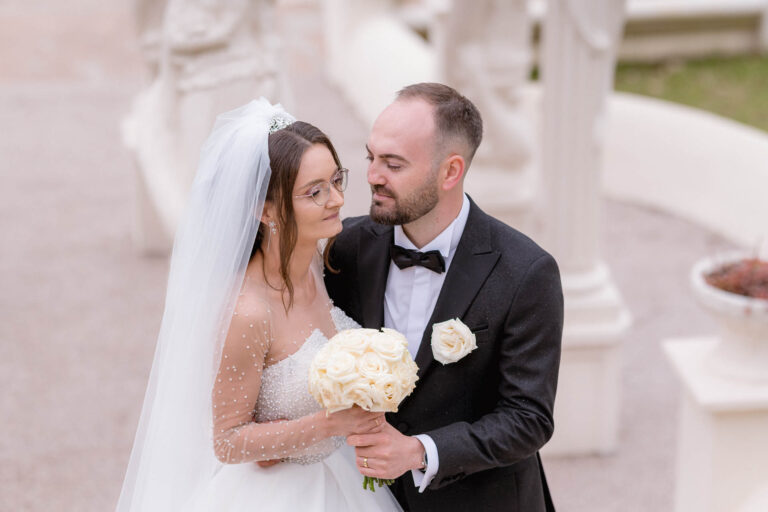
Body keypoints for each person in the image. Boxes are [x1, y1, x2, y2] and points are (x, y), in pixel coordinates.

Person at [116, 98, 401, 511]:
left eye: (336, 180)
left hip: (341, 481)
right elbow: (227, 440)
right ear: (265, 209)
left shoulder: (316, 262)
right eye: (315, 192)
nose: (337, 199)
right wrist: (330, 423)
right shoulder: (248, 312)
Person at [324, 83, 564, 511]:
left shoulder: (526, 271)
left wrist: (420, 451)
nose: (373, 175)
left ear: (451, 172)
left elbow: (528, 418)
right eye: (370, 157)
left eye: (393, 164)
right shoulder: (344, 249)